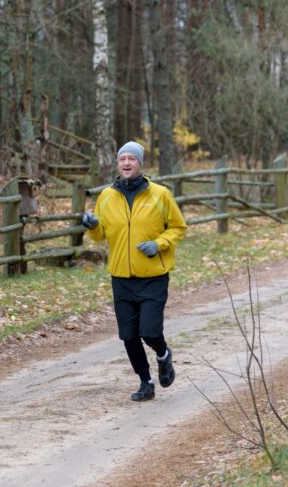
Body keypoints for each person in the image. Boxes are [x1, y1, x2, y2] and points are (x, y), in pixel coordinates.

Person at [82, 141, 186, 402]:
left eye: (132, 159)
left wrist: (159, 244)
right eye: (122, 159)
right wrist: (92, 226)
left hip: (153, 276)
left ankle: (163, 355)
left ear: (140, 163)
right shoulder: (107, 196)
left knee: (149, 331)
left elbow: (178, 227)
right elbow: (100, 235)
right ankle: (145, 382)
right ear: (118, 164)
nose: (126, 163)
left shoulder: (159, 194)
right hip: (121, 277)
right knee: (128, 335)